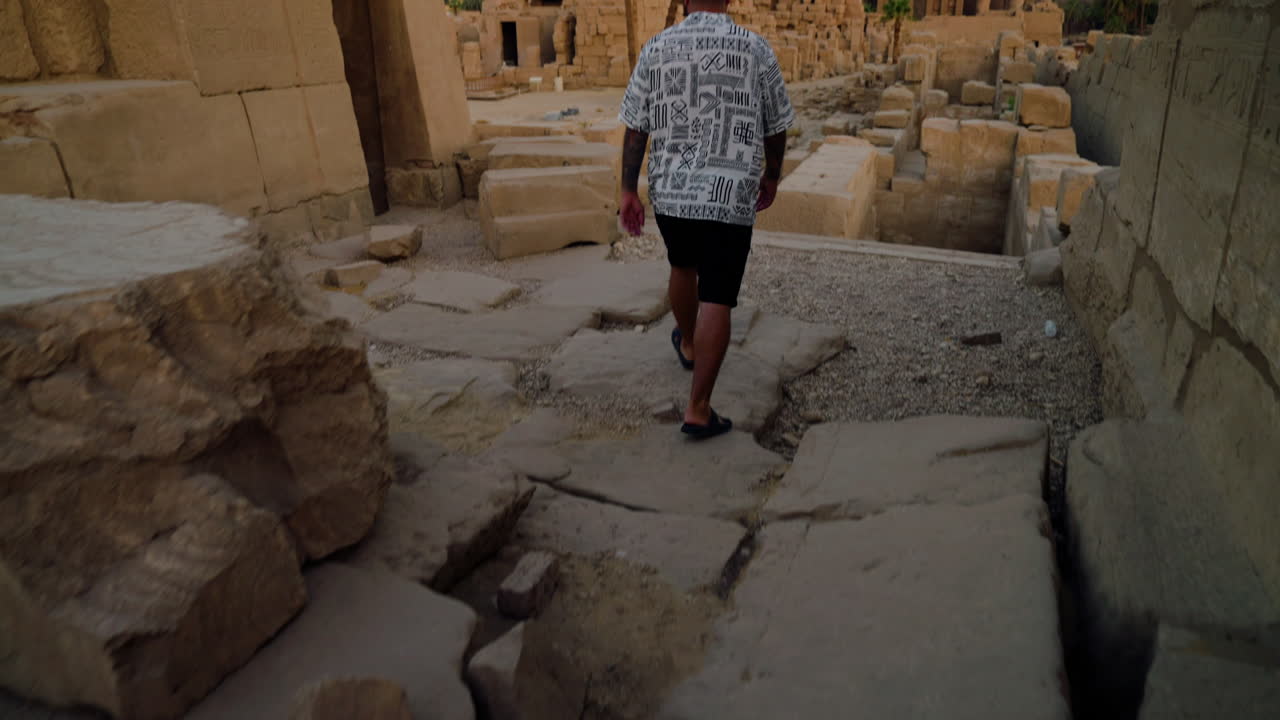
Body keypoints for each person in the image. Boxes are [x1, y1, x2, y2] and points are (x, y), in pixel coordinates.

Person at [617, 0, 795, 440]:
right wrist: (771, 175)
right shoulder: (754, 48)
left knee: (682, 267)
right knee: (718, 293)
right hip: (730, 189)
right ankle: (698, 408)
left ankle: (690, 343)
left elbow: (636, 128)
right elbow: (777, 124)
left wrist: (627, 189)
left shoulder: (656, 47)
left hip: (673, 190)